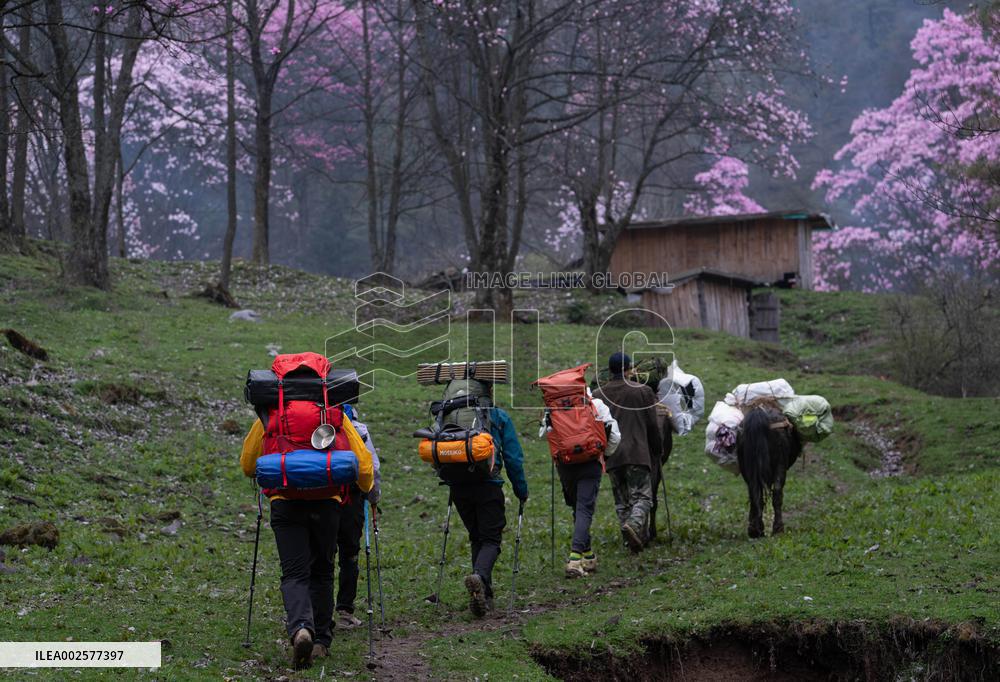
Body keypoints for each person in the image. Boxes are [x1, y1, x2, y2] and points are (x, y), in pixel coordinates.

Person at [240, 410, 374, 669]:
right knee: (322, 571)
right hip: (327, 501)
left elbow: (248, 464)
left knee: (293, 574)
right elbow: (363, 463)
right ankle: (322, 640)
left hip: (285, 501)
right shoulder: (333, 411)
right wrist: (366, 488)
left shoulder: (271, 412)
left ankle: (302, 629)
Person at [449, 383, 529, 617]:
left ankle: (485, 595)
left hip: (458, 487)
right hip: (488, 485)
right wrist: (521, 490)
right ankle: (481, 578)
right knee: (491, 540)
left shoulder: (449, 414)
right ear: (488, 392)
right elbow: (513, 457)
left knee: (477, 537)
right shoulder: (497, 415)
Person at [545, 388, 620, 578]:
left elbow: (545, 432)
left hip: (565, 464)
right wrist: (605, 454)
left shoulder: (553, 407)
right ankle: (574, 559)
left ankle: (588, 555)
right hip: (590, 462)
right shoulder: (597, 405)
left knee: (577, 508)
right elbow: (615, 435)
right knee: (584, 509)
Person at [591, 352, 661, 553]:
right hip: (637, 453)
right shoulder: (643, 391)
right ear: (628, 369)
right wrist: (657, 450)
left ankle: (630, 541)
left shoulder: (597, 395)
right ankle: (634, 525)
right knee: (643, 498)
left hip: (612, 455)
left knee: (622, 501)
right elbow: (652, 426)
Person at [331, 403, 382, 634]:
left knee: (322, 555)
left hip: (322, 497)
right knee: (349, 554)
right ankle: (345, 611)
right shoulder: (358, 428)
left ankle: (314, 611)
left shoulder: (316, 424)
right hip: (351, 499)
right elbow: (372, 467)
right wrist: (373, 497)